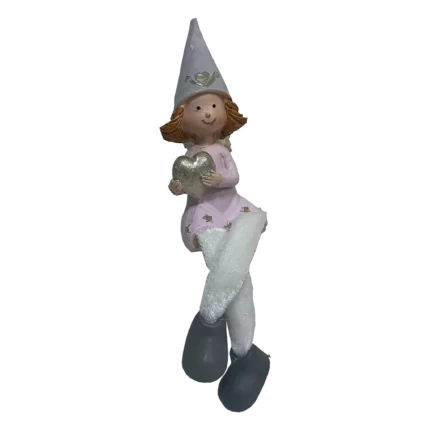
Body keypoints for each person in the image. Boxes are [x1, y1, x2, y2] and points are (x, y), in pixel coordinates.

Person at [159, 17, 271, 414]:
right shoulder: (186, 156)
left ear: (225, 112)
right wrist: (178, 187)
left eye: (213, 106)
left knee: (234, 272)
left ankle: (217, 328)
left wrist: (216, 178)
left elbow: (234, 177)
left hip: (232, 209)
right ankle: (244, 351)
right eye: (198, 107)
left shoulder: (222, 152)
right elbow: (178, 185)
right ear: (182, 117)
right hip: (204, 217)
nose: (207, 114)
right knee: (226, 269)